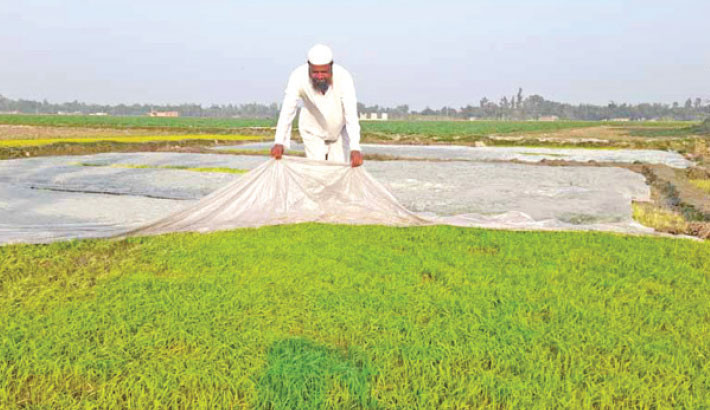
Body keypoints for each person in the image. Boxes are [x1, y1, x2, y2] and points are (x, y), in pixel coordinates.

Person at [270, 44, 363, 167]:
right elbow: (288, 110)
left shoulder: (344, 77)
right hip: (312, 130)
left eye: (324, 72)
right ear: (308, 67)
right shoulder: (298, 76)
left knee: (338, 170)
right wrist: (279, 141)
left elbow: (351, 113)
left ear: (331, 67)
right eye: (315, 72)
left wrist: (355, 147)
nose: (319, 77)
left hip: (340, 129)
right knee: (316, 171)